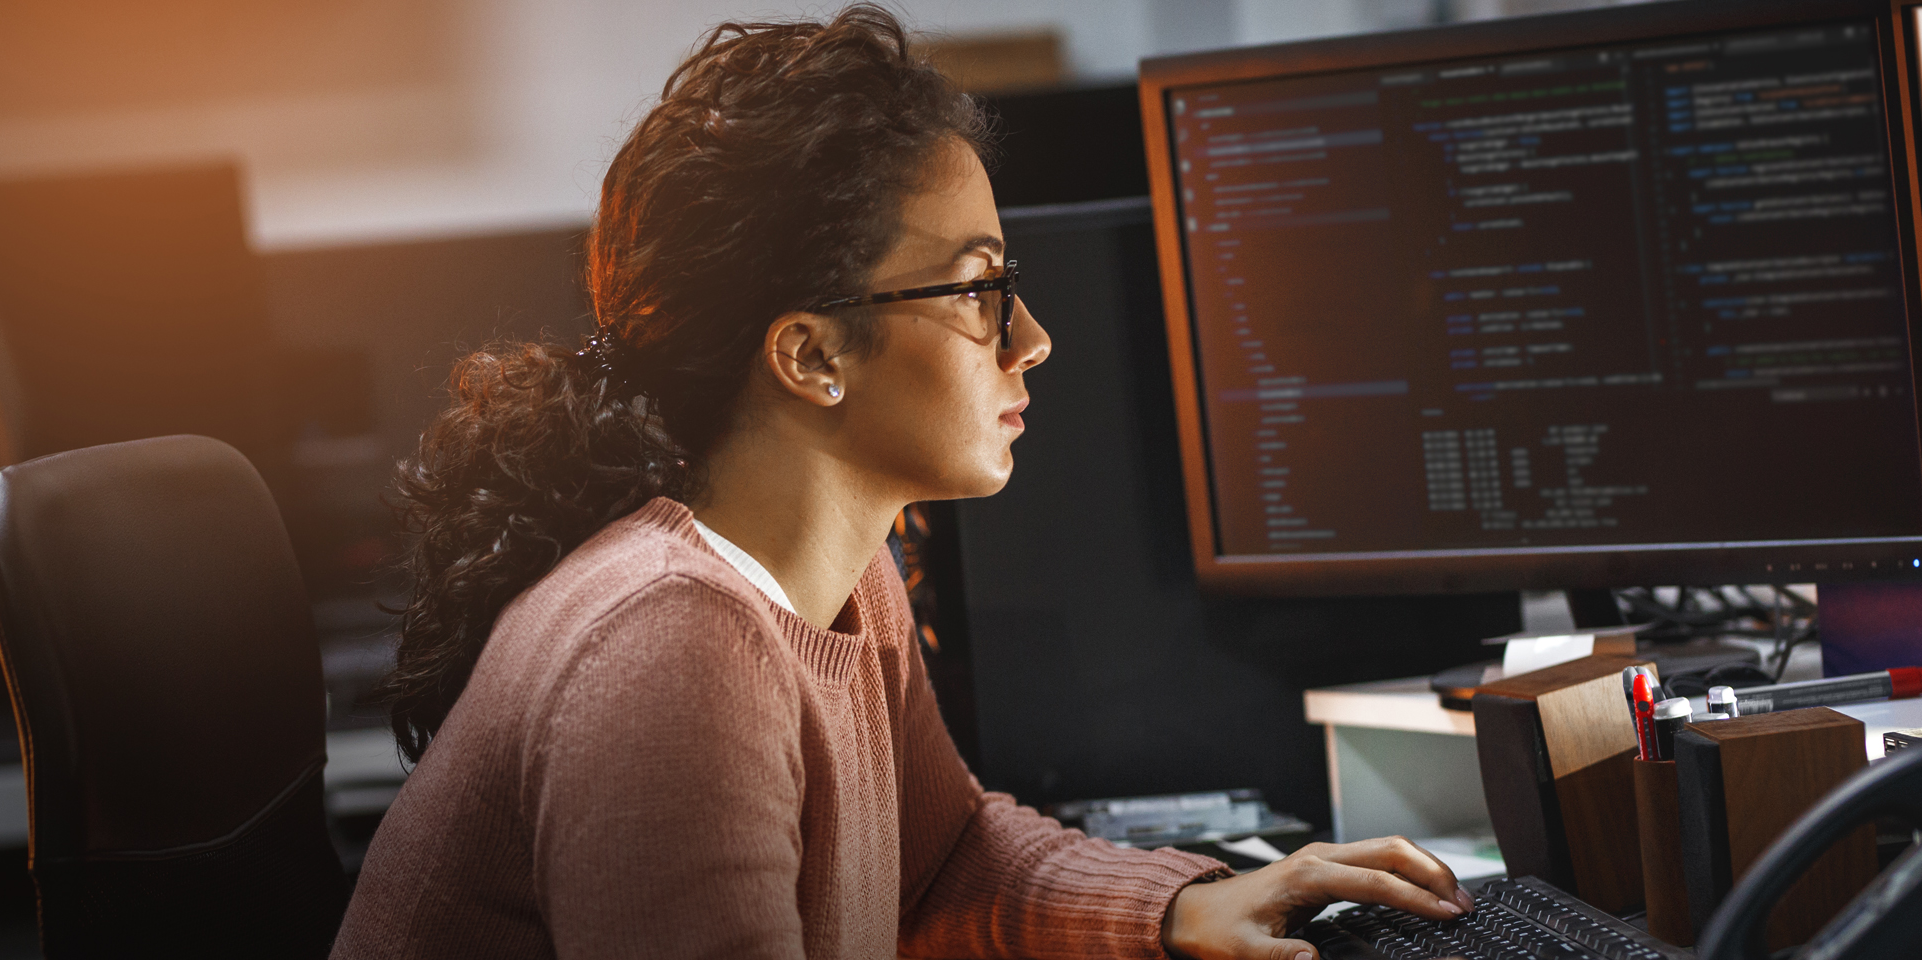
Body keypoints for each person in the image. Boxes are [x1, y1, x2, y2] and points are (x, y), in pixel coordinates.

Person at [332, 6, 1472, 959]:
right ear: (810, 356)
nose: (1030, 337)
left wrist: (1175, 907)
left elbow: (943, 857)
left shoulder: (843, 578)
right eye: (977, 289)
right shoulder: (670, 646)